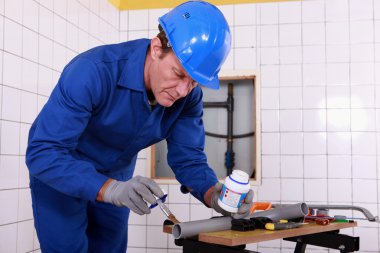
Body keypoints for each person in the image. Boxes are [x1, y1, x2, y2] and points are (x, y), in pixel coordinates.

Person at [26, 1, 254, 252]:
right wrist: (108, 188)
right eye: (179, 74)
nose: (182, 91)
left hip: (118, 178)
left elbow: (188, 158)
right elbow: (44, 152)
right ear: (157, 49)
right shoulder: (92, 71)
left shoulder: (188, 98)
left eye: (193, 82)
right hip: (61, 172)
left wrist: (214, 195)